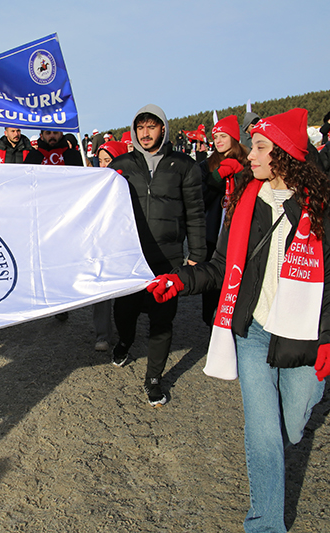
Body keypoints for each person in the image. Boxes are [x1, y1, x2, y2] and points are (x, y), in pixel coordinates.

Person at [147, 108, 329, 533]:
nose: (251, 155)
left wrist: (327, 337)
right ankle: (265, 523)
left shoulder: (320, 206)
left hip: (304, 334)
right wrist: (179, 280)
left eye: (261, 148)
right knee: (263, 433)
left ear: (285, 153)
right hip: (253, 330)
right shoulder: (247, 201)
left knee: (293, 425)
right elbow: (220, 266)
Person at [109, 104, 206, 406]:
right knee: (124, 312)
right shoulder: (121, 165)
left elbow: (195, 213)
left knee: (162, 318)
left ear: (163, 128)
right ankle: (125, 341)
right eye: (140, 127)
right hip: (131, 255)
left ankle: (153, 378)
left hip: (168, 256)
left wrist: (197, 253)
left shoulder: (185, 166)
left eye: (151, 126)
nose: (145, 133)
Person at [198, 115, 249, 327]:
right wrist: (217, 178)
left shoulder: (249, 162)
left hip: (241, 232)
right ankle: (211, 323)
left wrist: (239, 176)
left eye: (223, 136)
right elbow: (200, 198)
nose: (218, 141)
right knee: (212, 283)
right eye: (215, 137)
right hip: (213, 234)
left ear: (234, 138)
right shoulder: (206, 165)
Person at [87, 140, 129, 350]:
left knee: (124, 292)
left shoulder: (131, 181)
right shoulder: (94, 183)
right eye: (100, 160)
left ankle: (125, 333)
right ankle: (102, 335)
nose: (103, 165)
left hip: (123, 243)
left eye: (108, 160)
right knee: (101, 291)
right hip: (101, 243)